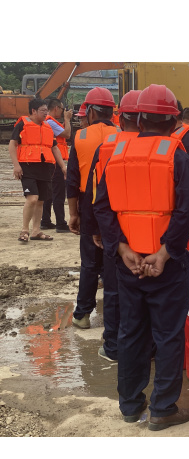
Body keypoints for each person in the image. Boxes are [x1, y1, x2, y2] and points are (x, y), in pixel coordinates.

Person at [93, 84, 189, 430]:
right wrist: (165, 254)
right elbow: (183, 213)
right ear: (174, 120)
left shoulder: (117, 154)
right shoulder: (176, 155)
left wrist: (122, 250)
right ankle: (164, 408)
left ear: (136, 118)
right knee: (167, 335)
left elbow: (103, 208)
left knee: (131, 332)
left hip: (129, 264)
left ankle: (130, 406)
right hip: (166, 265)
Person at [86, 90, 142, 362]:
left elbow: (94, 195)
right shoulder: (168, 148)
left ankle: (113, 347)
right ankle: (149, 348)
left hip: (115, 232)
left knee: (114, 291)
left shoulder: (108, 147)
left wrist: (96, 230)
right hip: (152, 236)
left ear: (121, 117)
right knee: (149, 293)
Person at [66, 87, 119, 329]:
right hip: (117, 203)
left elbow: (73, 179)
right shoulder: (122, 135)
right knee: (113, 259)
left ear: (92, 112)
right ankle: (114, 317)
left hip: (88, 203)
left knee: (89, 262)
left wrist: (73, 213)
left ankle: (83, 314)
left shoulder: (80, 137)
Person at [9, 98, 64, 242]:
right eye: (43, 111)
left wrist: (63, 166)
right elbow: (12, 145)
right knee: (32, 199)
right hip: (27, 167)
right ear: (33, 111)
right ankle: (24, 230)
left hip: (45, 167)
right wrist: (16, 165)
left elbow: (54, 147)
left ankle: (36, 231)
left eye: (46, 110)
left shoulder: (47, 127)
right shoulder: (22, 125)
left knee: (41, 200)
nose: (46, 113)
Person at [41, 98, 72, 232]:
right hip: (56, 162)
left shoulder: (48, 122)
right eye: (61, 108)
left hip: (51, 161)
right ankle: (61, 223)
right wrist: (68, 119)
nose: (62, 111)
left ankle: (45, 220)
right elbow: (67, 134)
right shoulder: (50, 122)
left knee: (49, 193)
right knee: (58, 193)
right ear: (56, 108)